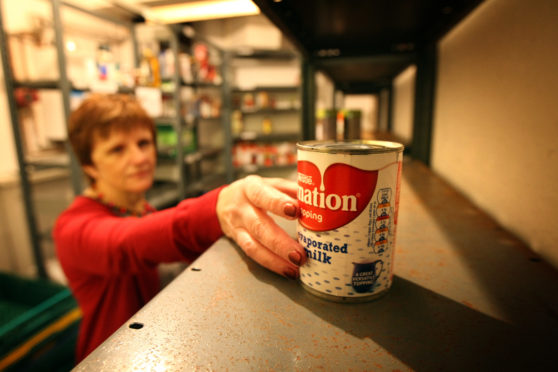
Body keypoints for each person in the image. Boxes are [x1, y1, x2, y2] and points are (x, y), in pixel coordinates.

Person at [53, 94, 306, 363]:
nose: (139, 158)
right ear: (89, 165)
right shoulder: (72, 228)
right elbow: (127, 241)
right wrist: (217, 207)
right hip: (108, 361)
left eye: (143, 143)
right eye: (117, 149)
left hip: (148, 349)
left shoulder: (141, 209)